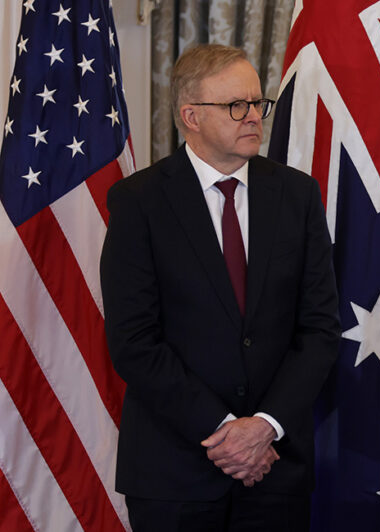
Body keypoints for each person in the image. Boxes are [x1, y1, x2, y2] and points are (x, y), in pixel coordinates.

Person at [100, 44, 341, 531]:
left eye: (257, 102)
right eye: (235, 105)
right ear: (191, 116)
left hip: (275, 469)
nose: (253, 116)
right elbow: (134, 342)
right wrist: (227, 432)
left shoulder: (298, 195)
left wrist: (264, 427)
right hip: (173, 474)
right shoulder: (138, 201)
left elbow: (319, 329)